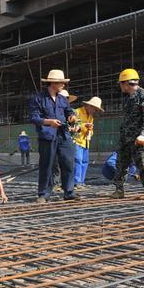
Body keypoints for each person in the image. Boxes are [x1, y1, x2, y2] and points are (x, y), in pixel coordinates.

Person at [29, 70, 80, 203]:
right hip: (47, 136)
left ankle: (69, 192)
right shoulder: (38, 98)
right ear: (54, 83)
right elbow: (34, 118)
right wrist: (49, 122)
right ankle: (43, 194)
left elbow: (69, 112)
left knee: (68, 162)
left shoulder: (63, 99)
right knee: (47, 165)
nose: (63, 85)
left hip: (63, 134)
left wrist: (72, 117)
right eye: (61, 82)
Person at [112, 69, 144, 199]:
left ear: (126, 83)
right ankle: (119, 190)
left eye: (121, 83)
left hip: (139, 138)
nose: (120, 86)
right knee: (121, 163)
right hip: (125, 137)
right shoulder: (127, 98)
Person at [73, 96, 104, 188]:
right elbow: (73, 127)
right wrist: (84, 126)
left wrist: (90, 130)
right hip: (76, 141)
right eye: (94, 108)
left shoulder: (90, 116)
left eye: (96, 109)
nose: (94, 110)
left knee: (85, 161)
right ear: (88, 106)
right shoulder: (77, 112)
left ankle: (81, 181)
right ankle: (76, 181)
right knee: (78, 160)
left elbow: (91, 130)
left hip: (85, 142)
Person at [51, 89, 77, 191]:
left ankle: (67, 186)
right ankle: (55, 183)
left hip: (67, 139)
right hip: (54, 138)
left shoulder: (71, 112)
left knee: (67, 163)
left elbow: (76, 125)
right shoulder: (54, 110)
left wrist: (73, 128)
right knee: (55, 163)